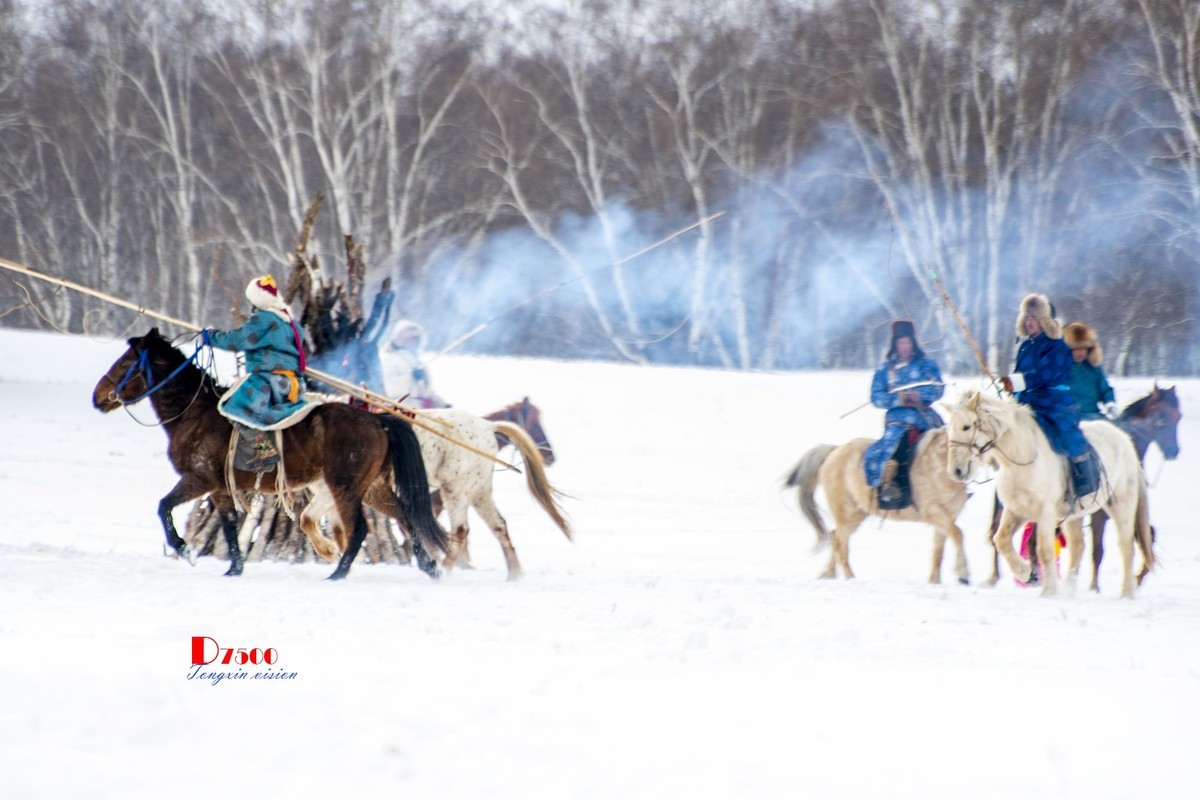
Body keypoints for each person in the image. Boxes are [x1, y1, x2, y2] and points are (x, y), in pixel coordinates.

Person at [998, 294, 1099, 499]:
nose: (1029, 321)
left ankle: (1081, 474)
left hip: (1054, 404)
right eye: (1026, 317)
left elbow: (1047, 375)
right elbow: (1020, 374)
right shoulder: (1025, 346)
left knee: (1065, 432)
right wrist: (1011, 387)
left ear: (1045, 320)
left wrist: (1019, 381)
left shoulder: (1058, 346)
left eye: (1034, 317)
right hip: (1027, 402)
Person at [205, 275, 310, 470]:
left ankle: (265, 453)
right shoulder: (291, 323)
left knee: (234, 407)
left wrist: (210, 337)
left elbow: (238, 340)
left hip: (269, 381)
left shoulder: (264, 319)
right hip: (294, 383)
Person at [864, 319, 945, 504]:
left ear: (913, 342)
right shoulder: (885, 370)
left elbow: (939, 388)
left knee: (950, 443)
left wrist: (919, 394)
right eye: (901, 342)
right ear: (895, 344)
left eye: (907, 342)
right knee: (894, 448)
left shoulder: (926, 364)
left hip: (925, 417)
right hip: (899, 421)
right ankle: (892, 486)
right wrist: (897, 399)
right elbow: (876, 397)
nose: (904, 346)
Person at [382, 320, 448, 409]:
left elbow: (426, 391)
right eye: (412, 338)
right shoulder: (388, 358)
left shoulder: (415, 360)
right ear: (401, 338)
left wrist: (442, 404)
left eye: (417, 338)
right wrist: (410, 377)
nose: (415, 342)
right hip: (402, 410)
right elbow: (389, 388)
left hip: (423, 409)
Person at [1063, 321, 1117, 421]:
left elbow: (1104, 389)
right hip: (1069, 418)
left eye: (1084, 348)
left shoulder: (1093, 368)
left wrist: (1110, 403)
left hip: (1093, 416)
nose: (1080, 353)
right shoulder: (1060, 369)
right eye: (1076, 349)